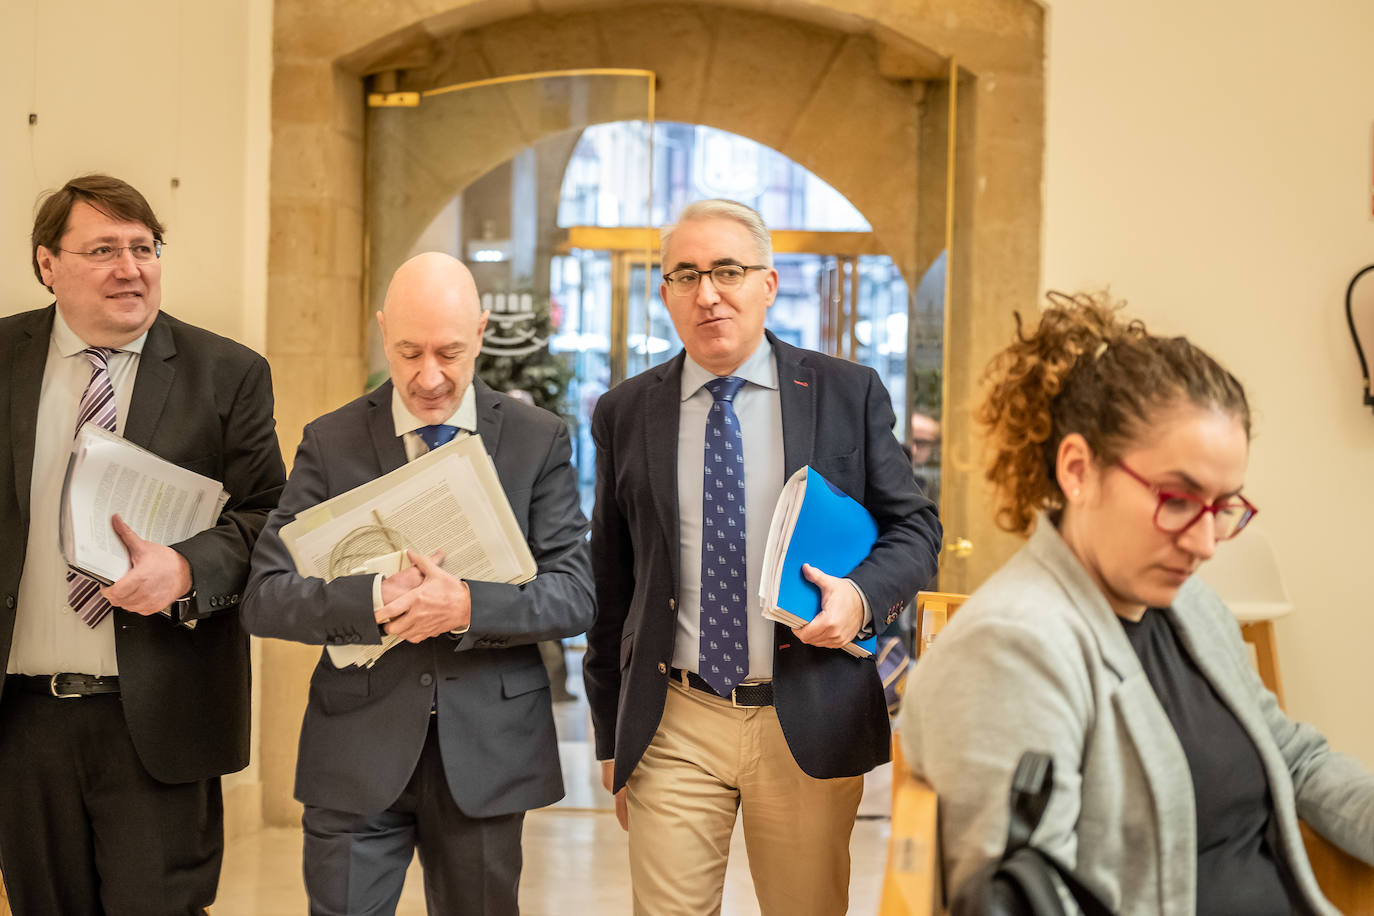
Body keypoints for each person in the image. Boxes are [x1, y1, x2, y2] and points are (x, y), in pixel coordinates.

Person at [899, 293, 1374, 915]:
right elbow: (1030, 900)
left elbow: (1296, 758)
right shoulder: (1012, 649)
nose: (1206, 544)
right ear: (1078, 469)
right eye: (1177, 498)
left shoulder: (1190, 607)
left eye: (1223, 507)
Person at [584, 199, 943, 915]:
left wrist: (860, 598)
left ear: (768, 284)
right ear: (664, 294)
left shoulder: (846, 393)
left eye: (727, 270)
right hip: (675, 716)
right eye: (685, 275)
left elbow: (916, 529)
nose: (707, 292)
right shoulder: (626, 412)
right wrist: (608, 733)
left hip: (804, 710)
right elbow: (612, 583)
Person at [242, 252, 594, 916]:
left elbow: (574, 593)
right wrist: (373, 602)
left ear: (482, 333)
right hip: (355, 750)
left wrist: (467, 605)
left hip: (489, 750)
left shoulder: (535, 439)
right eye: (408, 353)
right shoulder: (333, 439)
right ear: (383, 333)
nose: (428, 377)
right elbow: (266, 595)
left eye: (449, 352)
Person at [0, 173, 286, 914]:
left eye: (144, 247)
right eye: (103, 249)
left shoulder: (226, 374)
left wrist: (189, 569)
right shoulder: (2, 360)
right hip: (22, 725)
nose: (131, 267)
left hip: (160, 718)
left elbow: (272, 520)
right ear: (46, 264)